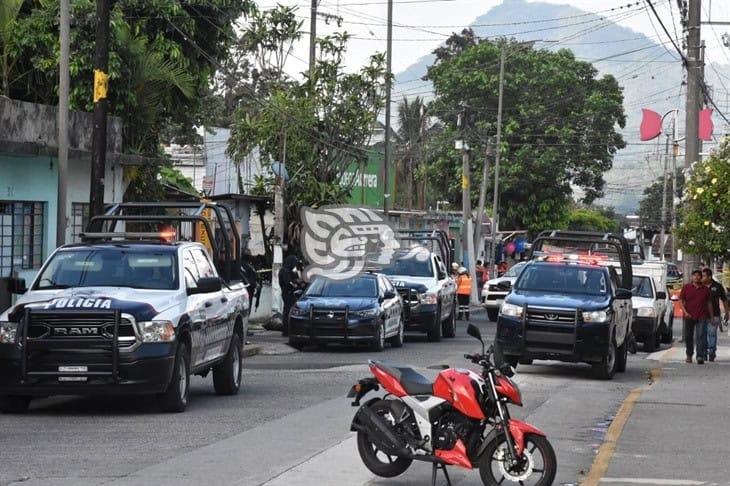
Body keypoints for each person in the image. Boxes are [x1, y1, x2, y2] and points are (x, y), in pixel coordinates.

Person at [679, 270, 714, 364]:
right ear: (691, 277)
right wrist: (685, 312)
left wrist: (711, 316)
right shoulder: (686, 287)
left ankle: (700, 356)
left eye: (699, 275)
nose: (696, 277)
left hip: (702, 316)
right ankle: (689, 355)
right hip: (689, 316)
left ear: (701, 277)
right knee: (688, 336)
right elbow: (681, 301)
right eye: (694, 275)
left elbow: (709, 303)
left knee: (700, 336)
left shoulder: (706, 289)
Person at [702, 268, 729, 362]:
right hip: (702, 314)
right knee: (702, 334)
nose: (702, 277)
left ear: (709, 276)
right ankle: (703, 353)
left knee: (712, 334)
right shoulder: (700, 286)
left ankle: (712, 352)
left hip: (715, 314)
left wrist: (727, 312)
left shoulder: (717, 286)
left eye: (704, 276)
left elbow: (724, 299)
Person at [279, 255, 300, 337]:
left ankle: (289, 329)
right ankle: (286, 330)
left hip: (290, 293)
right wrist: (294, 284)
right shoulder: (284, 271)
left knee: (290, 311)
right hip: (287, 293)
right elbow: (287, 282)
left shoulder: (290, 271)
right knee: (288, 311)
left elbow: (296, 278)